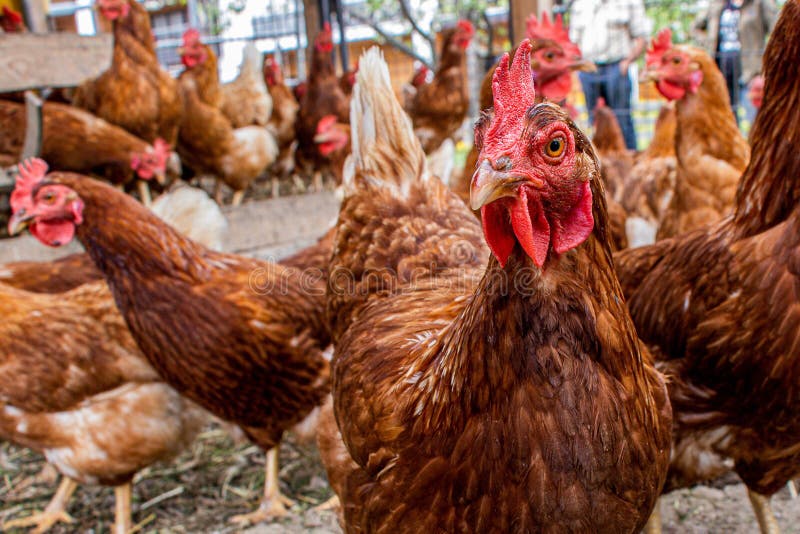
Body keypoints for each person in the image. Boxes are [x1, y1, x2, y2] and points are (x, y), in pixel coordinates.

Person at [569, 0, 650, 150]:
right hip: (589, 68)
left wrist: (627, 62)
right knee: (594, 122)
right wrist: (578, 67)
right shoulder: (580, 4)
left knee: (622, 121)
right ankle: (597, 161)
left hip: (617, 66)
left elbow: (642, 37)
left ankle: (628, 159)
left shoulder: (630, 2)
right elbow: (573, 41)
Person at [693, 0, 777, 123]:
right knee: (726, 118)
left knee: (752, 118)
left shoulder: (759, 3)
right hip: (721, 69)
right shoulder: (717, 4)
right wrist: (708, 42)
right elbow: (695, 28)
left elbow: (777, 30)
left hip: (750, 71)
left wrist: (768, 59)